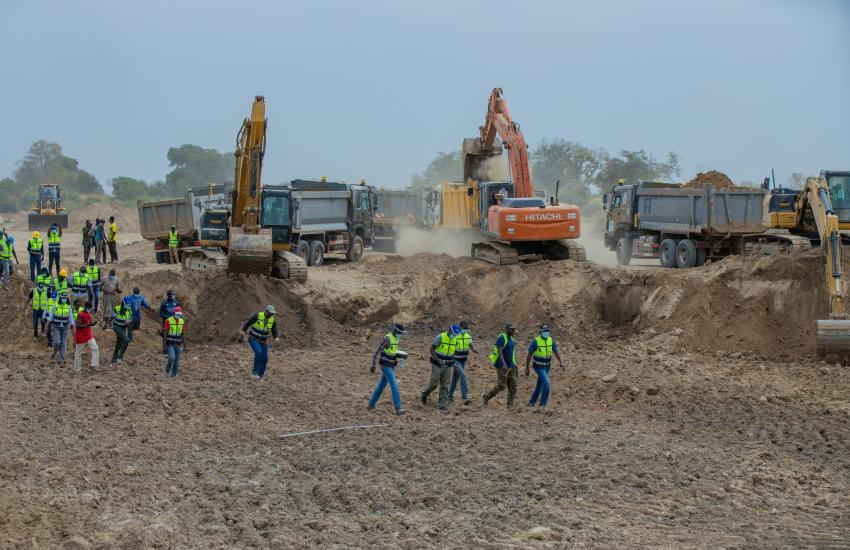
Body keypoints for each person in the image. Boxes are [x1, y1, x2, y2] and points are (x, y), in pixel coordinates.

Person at [368, 323, 406, 415]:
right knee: (394, 385)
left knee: (382, 385)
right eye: (400, 332)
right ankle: (398, 408)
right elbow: (377, 351)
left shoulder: (396, 339)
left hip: (391, 365)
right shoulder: (388, 338)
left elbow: (391, 351)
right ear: (396, 331)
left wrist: (401, 354)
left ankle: (371, 404)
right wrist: (373, 365)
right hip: (385, 366)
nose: (401, 334)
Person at [524, 324, 565, 410]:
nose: (546, 333)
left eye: (547, 331)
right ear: (541, 332)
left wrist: (561, 362)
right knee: (547, 383)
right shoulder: (536, 341)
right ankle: (543, 405)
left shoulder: (550, 340)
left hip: (547, 367)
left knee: (539, 386)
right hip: (538, 367)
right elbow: (529, 355)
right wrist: (527, 368)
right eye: (544, 331)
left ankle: (531, 402)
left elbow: (556, 352)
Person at [421, 324, 458, 411]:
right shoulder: (440, 337)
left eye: (456, 334)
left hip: (448, 365)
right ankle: (425, 394)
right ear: (449, 330)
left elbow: (453, 352)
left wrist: (453, 362)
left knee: (445, 385)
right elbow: (431, 349)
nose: (454, 335)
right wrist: (437, 360)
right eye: (453, 333)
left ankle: (441, 404)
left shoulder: (455, 339)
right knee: (434, 384)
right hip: (437, 364)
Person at [483, 323, 518, 408]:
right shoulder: (502, 338)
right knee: (502, 385)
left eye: (514, 329)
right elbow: (500, 351)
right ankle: (486, 396)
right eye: (511, 329)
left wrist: (514, 365)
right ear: (506, 329)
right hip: (502, 366)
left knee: (513, 387)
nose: (513, 331)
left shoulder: (512, 339)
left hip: (512, 366)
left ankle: (510, 406)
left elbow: (512, 353)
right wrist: (503, 365)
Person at [241, 305, 279, 380]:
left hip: (263, 341)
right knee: (258, 352)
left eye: (272, 313)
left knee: (265, 358)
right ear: (266, 311)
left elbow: (274, 330)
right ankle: (254, 373)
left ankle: (260, 376)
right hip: (253, 338)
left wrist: (276, 337)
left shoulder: (272, 320)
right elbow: (248, 324)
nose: (271, 315)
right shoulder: (258, 316)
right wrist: (242, 333)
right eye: (270, 313)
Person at [448, 320, 476, 405]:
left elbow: (470, 343)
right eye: (464, 328)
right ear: (460, 327)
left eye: (467, 328)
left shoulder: (468, 336)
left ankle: (449, 396)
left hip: (463, 360)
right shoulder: (455, 336)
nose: (466, 329)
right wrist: (452, 362)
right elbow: (451, 349)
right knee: (463, 376)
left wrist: (473, 349)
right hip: (456, 360)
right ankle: (465, 398)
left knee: (455, 378)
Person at [44, 292, 75, 367]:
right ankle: (54, 353)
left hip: (64, 327)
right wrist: (46, 326)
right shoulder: (55, 305)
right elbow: (50, 317)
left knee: (63, 343)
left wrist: (73, 327)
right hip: (56, 326)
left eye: (65, 298)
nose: (64, 299)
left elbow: (71, 318)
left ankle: (62, 360)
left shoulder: (68, 306)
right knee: (57, 342)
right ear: (60, 298)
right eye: (62, 298)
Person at [72, 302, 99, 373]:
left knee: (95, 348)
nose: (89, 310)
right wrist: (88, 324)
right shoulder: (80, 314)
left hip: (88, 334)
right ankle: (77, 369)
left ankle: (94, 365)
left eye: (90, 308)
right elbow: (78, 325)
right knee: (78, 353)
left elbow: (88, 323)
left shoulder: (88, 314)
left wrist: (91, 324)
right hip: (81, 335)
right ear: (85, 307)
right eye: (88, 308)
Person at [163, 306, 186, 379]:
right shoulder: (168, 321)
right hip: (170, 343)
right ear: (174, 313)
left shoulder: (182, 321)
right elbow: (165, 334)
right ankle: (167, 370)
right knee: (172, 358)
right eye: (177, 314)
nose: (178, 315)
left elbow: (182, 334)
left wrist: (185, 346)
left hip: (178, 344)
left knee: (176, 361)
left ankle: (173, 375)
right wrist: (164, 346)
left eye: (179, 314)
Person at [111, 297, 133, 364]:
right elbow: (112, 317)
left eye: (128, 304)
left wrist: (128, 321)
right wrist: (106, 325)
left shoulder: (129, 309)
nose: (127, 306)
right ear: (123, 303)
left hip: (124, 327)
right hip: (116, 326)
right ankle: (120, 357)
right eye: (126, 304)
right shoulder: (117, 309)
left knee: (119, 343)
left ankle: (114, 359)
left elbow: (131, 318)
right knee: (126, 340)